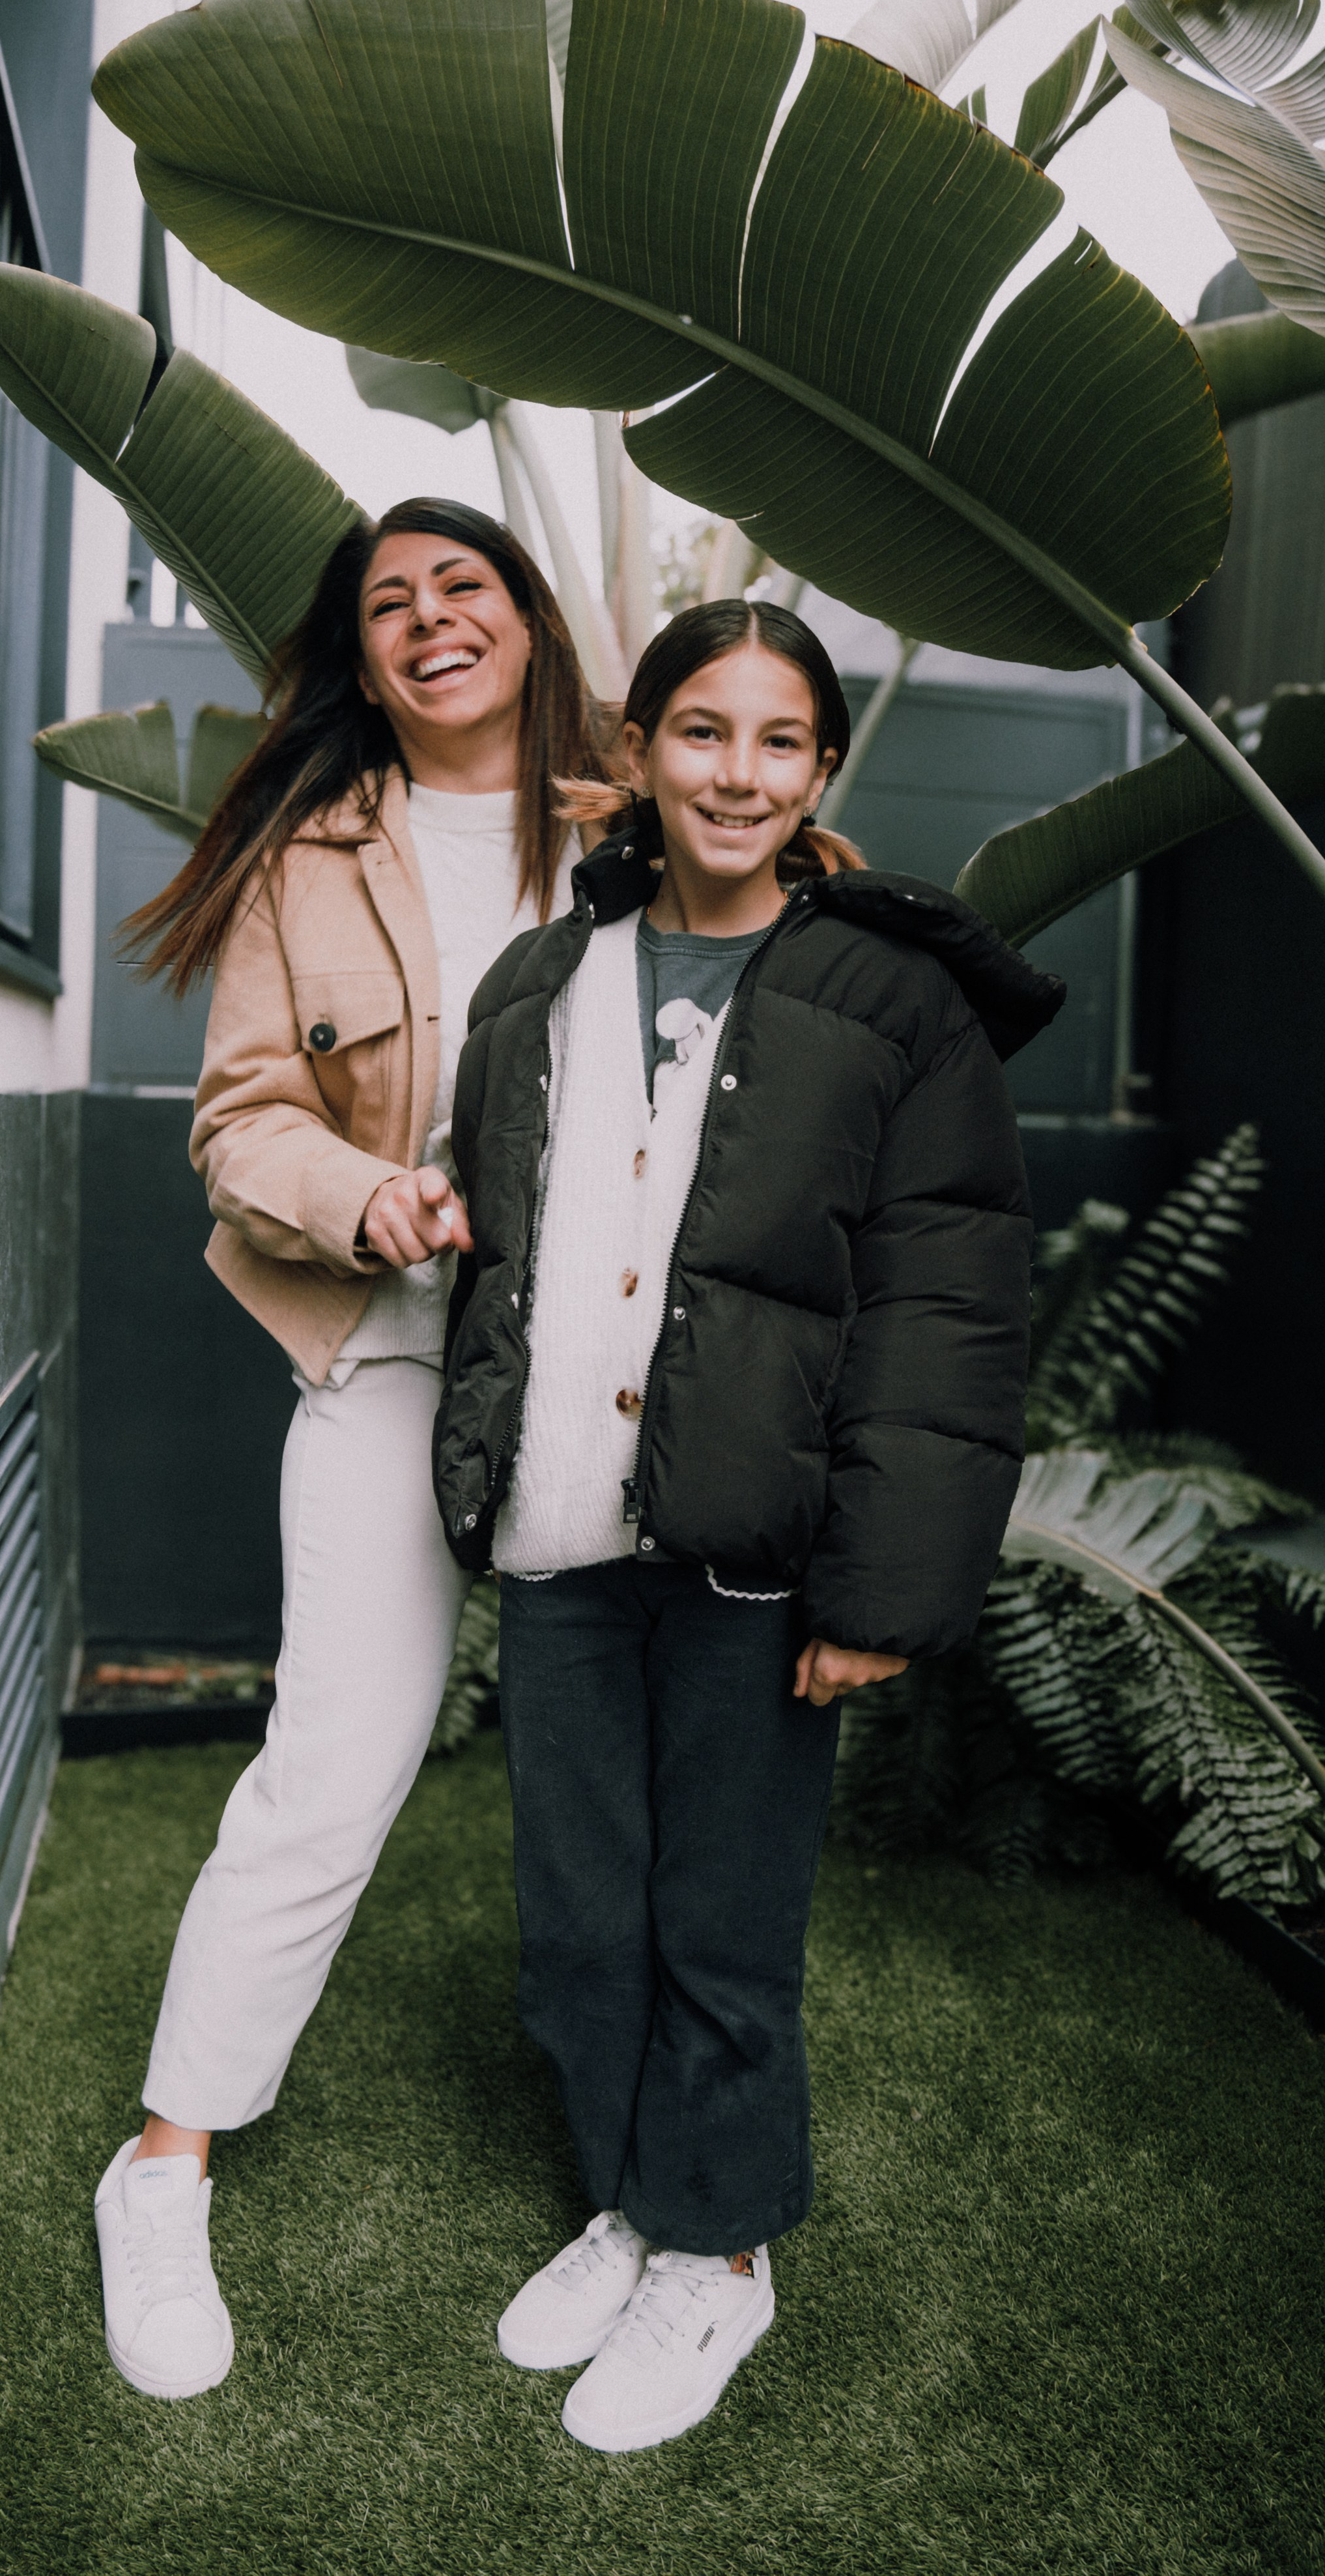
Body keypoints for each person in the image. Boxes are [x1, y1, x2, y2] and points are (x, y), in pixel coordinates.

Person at [433, 597, 1064, 2453]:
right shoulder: (540, 986)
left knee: (719, 1916)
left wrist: (881, 1584)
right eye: (699, 732)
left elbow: (945, 1308)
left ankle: (718, 2255)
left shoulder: (889, 1001)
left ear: (820, 773)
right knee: (574, 1916)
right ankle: (638, 2196)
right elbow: (506, 1259)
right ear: (636, 753)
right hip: (564, 1530)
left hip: (751, 1546)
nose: (735, 772)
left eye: (777, 740)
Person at [92, 499, 608, 2401]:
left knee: (628, 1779)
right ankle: (161, 2167)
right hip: (390, 1354)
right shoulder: (305, 855)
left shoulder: (654, 808)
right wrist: (365, 1195)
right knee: (330, 1763)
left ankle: (657, 2197)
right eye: (388, 606)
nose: (427, 620)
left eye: (461, 585)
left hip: (626, 1376)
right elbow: (238, 1121)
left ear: (529, 618)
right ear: (363, 658)